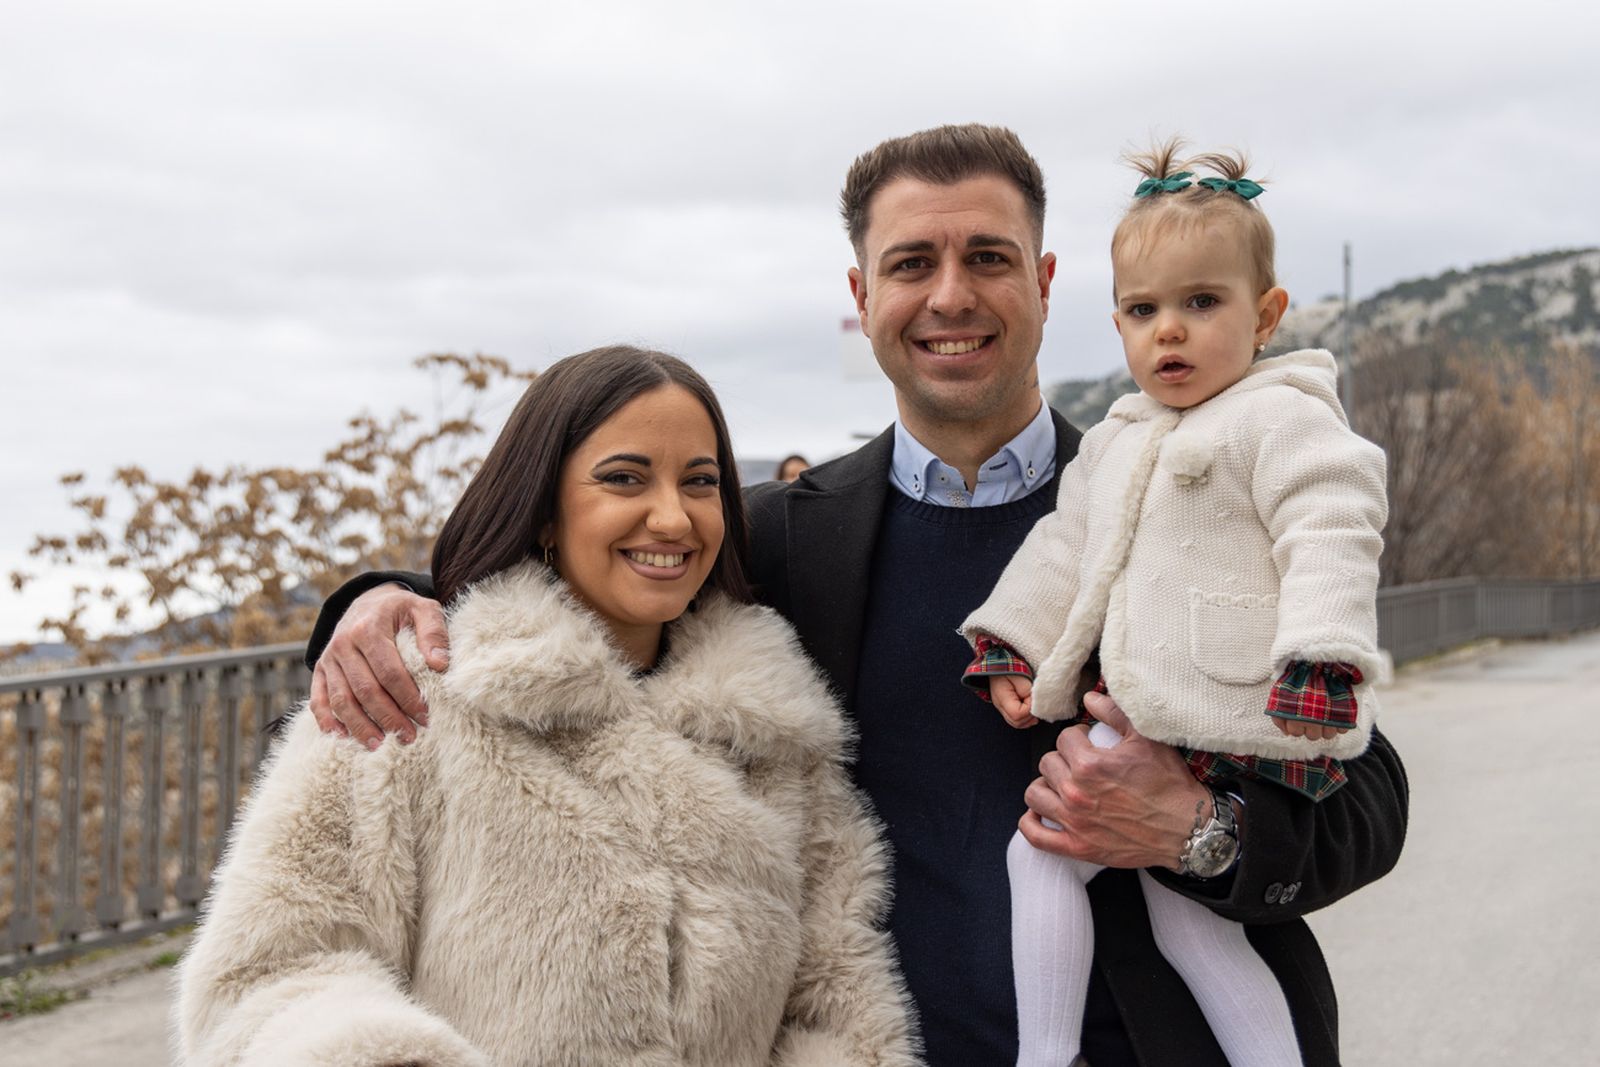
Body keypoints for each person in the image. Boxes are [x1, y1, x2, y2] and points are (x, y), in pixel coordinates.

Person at [303, 125, 1409, 1066]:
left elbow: (1368, 798)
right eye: (911, 261)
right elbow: (566, 588)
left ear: (1045, 281)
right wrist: (379, 598)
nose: (950, 295)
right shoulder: (774, 541)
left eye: (987, 256)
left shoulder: (1187, 495)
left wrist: (1197, 828)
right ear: (861, 293)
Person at [176, 347, 916, 1067]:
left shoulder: (778, 738)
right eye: (624, 478)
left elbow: (835, 1002)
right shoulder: (410, 699)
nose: (672, 517)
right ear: (543, 512)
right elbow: (263, 974)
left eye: (701, 482)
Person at [961, 142, 1388, 1067]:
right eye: (1144, 310)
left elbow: (1333, 528)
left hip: (1241, 711)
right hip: (1161, 711)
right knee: (1191, 927)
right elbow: (1064, 551)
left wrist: (1321, 655)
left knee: (1040, 857)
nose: (1170, 333)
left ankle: (1044, 1055)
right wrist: (1015, 644)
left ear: (1267, 314)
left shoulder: (1286, 418)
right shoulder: (1119, 439)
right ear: (1115, 323)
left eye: (1203, 303)